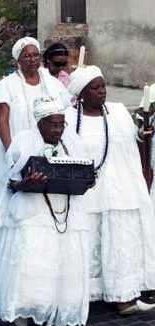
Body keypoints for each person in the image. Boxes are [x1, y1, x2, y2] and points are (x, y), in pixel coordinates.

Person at [0, 98, 90, 326]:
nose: (58, 130)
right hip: (33, 211)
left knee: (63, 263)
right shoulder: (24, 142)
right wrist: (25, 183)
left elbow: (84, 171)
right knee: (35, 260)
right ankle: (27, 308)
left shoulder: (72, 142)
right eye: (52, 125)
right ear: (39, 123)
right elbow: (11, 182)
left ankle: (56, 316)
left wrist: (88, 180)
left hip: (65, 211)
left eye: (62, 124)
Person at [66, 65, 155, 313]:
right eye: (95, 88)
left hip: (119, 188)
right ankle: (86, 294)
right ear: (81, 93)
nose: (102, 91)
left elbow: (133, 139)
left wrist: (142, 133)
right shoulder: (69, 118)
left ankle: (123, 296)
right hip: (88, 194)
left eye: (103, 86)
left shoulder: (117, 112)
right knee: (89, 242)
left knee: (120, 241)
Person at [0, 36, 72, 256]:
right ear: (18, 59)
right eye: (26, 56)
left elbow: (63, 111)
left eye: (35, 55)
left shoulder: (51, 82)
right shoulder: (7, 86)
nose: (32, 60)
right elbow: (3, 121)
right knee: (18, 193)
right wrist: (12, 153)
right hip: (17, 149)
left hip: (48, 145)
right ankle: (14, 248)